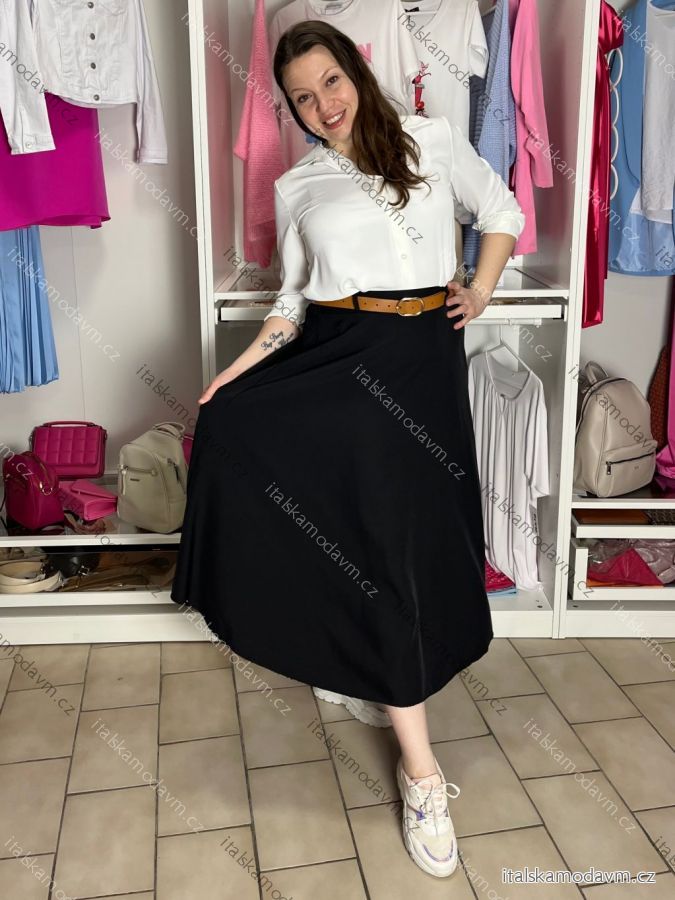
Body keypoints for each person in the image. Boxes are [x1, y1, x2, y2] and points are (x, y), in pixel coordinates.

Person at [171, 20, 525, 880]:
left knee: (410, 541)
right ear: (291, 110)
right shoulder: (297, 186)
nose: (322, 105)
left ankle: (373, 668)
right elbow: (293, 303)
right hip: (341, 360)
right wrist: (235, 376)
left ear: (356, 72)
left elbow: (502, 212)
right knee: (367, 537)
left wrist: (479, 288)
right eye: (302, 97)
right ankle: (422, 773)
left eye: (329, 82)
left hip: (423, 364)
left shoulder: (430, 138)